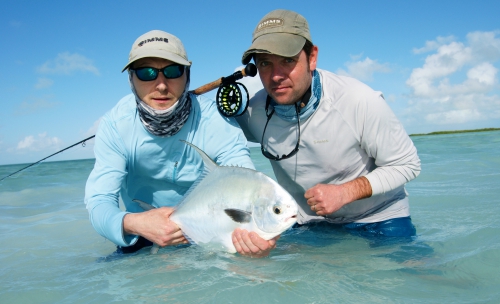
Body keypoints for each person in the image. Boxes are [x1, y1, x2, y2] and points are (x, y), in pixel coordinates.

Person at [232, 9, 421, 257]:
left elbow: (408, 164)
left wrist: (345, 192)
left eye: (288, 60)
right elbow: (219, 144)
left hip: (379, 219)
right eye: (265, 63)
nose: (276, 76)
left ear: (312, 58)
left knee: (419, 279)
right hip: (308, 223)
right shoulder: (255, 111)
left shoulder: (358, 100)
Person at [84, 30, 254, 254]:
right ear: (131, 80)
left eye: (173, 71)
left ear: (187, 75)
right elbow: (99, 203)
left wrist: (255, 233)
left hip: (208, 236)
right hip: (141, 236)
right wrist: (136, 224)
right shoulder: (115, 126)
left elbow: (247, 183)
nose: (161, 85)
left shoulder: (216, 121)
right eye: (147, 73)